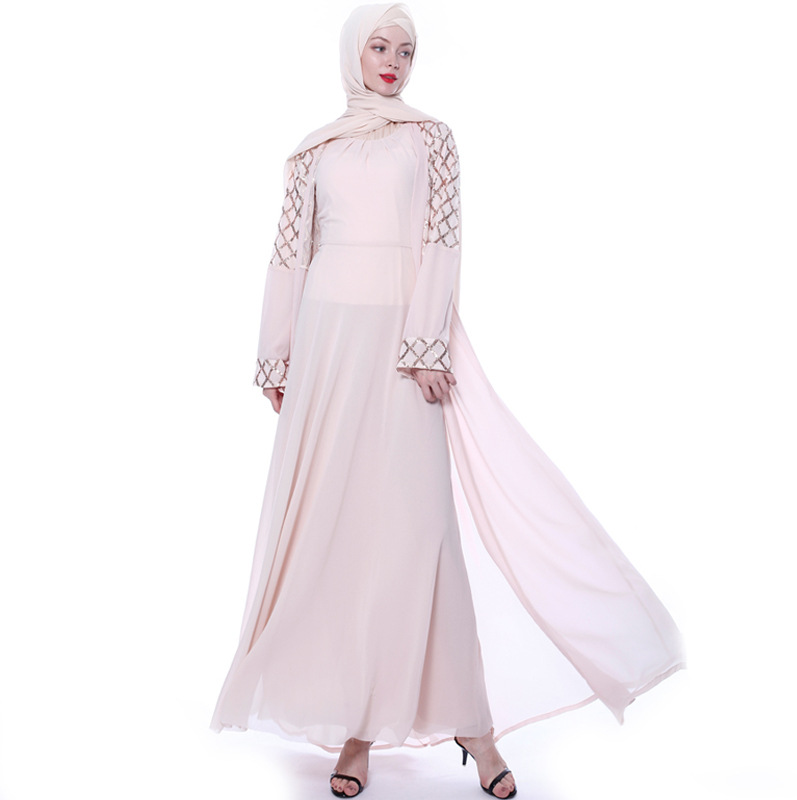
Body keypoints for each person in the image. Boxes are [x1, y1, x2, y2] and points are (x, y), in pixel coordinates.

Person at [211, 4, 685, 798]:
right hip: (328, 351)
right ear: (352, 52)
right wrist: (276, 355)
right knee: (342, 537)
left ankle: (476, 727)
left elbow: (443, 241)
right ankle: (357, 729)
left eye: (407, 50)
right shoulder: (313, 150)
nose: (393, 61)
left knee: (421, 533)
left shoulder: (431, 139)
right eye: (380, 46)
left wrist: (425, 343)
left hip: (404, 350)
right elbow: (288, 255)